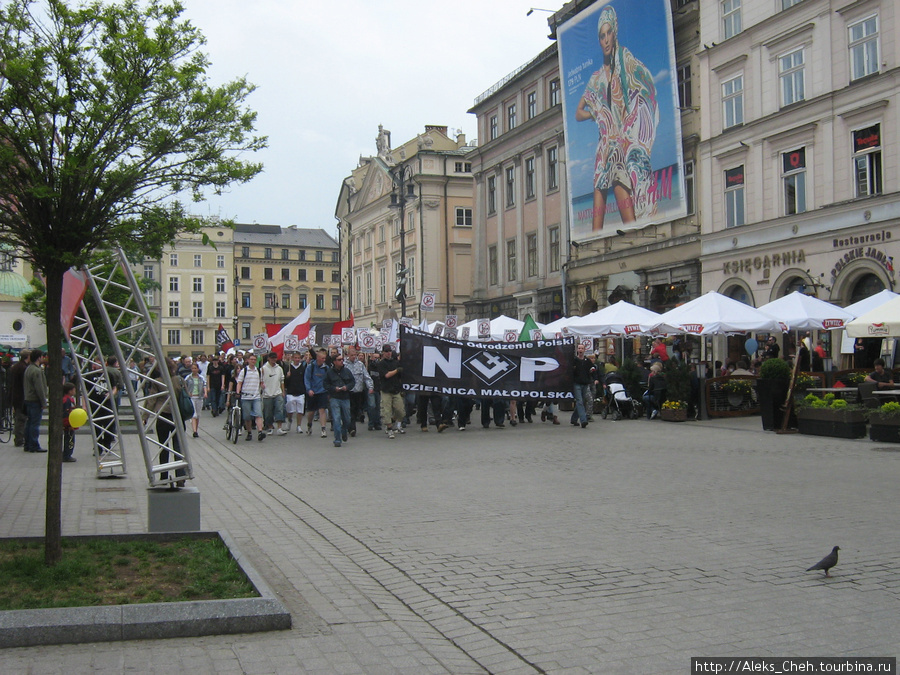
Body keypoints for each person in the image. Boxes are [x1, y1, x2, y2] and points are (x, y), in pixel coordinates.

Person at [574, 4, 658, 232]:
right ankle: (593, 253)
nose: (606, 40)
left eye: (609, 33)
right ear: (598, 40)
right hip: (604, 147)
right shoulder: (596, 78)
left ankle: (636, 248)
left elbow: (644, 89)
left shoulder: (626, 63)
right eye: (601, 36)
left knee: (630, 220)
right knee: (597, 215)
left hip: (621, 146)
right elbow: (578, 112)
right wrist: (597, 114)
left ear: (615, 32)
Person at [144, 359, 187, 487]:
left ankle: (163, 475)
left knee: (163, 447)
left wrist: (145, 416)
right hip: (178, 417)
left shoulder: (158, 382)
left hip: (162, 416)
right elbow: (186, 394)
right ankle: (180, 476)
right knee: (178, 448)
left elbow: (152, 400)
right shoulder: (179, 379)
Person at [324, 351, 355, 447]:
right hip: (335, 398)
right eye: (339, 360)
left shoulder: (347, 371)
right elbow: (325, 384)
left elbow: (352, 382)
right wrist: (334, 388)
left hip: (345, 398)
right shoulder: (329, 372)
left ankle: (344, 431)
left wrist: (347, 387)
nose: (341, 361)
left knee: (347, 419)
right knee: (336, 419)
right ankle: (337, 439)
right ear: (334, 362)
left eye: (342, 359)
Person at [374, 346, 405, 439]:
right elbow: (387, 375)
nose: (388, 353)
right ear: (383, 352)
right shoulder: (381, 364)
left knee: (400, 411)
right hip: (386, 390)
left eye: (390, 351)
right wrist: (397, 370)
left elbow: (400, 376)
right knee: (386, 411)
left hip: (395, 390)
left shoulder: (396, 362)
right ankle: (389, 428)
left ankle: (392, 420)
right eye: (386, 351)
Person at [235, 354, 265, 441]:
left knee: (258, 414)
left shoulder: (259, 371)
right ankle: (249, 432)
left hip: (256, 396)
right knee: (247, 416)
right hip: (245, 396)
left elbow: (261, 382)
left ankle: (260, 432)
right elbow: (239, 383)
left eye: (254, 360)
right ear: (248, 360)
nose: (253, 361)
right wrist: (238, 392)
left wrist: (263, 386)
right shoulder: (244, 371)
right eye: (251, 359)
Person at [344, 346, 373, 437]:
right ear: (348, 355)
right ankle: (352, 428)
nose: (353, 357)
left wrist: (370, 387)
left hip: (358, 391)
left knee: (356, 410)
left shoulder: (360, 364)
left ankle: (351, 424)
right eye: (352, 355)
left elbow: (366, 376)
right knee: (349, 410)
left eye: (355, 355)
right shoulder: (344, 365)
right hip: (348, 391)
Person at [23, 349, 48, 453]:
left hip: (28, 399)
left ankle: (27, 444)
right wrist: (43, 402)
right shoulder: (37, 371)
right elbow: (39, 388)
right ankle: (34, 444)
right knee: (35, 424)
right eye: (42, 356)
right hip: (35, 400)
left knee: (29, 423)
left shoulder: (29, 368)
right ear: (39, 357)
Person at [261, 352, 287, 435]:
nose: (273, 360)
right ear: (268, 358)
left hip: (277, 392)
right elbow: (260, 380)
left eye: (275, 358)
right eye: (272, 358)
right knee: (268, 413)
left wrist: (283, 391)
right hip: (267, 394)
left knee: (280, 410)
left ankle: (279, 428)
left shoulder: (279, 368)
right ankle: (270, 427)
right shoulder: (263, 368)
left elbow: (282, 380)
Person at [571, 344, 597, 428]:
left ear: (584, 350)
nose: (580, 350)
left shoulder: (587, 360)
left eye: (582, 348)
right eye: (579, 348)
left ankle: (574, 419)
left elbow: (593, 367)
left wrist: (592, 370)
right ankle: (583, 420)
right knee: (579, 401)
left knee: (582, 401)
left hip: (585, 383)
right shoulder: (574, 360)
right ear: (577, 350)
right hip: (576, 383)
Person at [8, 349, 30, 447]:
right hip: (20, 396)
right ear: (28, 357)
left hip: (15, 395)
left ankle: (19, 438)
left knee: (18, 418)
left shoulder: (15, 367)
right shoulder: (23, 368)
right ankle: (19, 439)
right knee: (21, 419)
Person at [284, 351, 307, 433]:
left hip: (300, 392)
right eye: (295, 358)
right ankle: (289, 420)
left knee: (300, 410)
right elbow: (284, 382)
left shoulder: (303, 368)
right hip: (291, 392)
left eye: (298, 358)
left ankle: (299, 426)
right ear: (292, 358)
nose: (297, 359)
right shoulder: (288, 367)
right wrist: (287, 376)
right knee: (290, 409)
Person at [183, 362, 207, 438]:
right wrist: (188, 393)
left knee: (198, 415)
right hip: (192, 397)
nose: (194, 370)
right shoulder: (188, 378)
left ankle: (196, 428)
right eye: (192, 368)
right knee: (194, 415)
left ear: (198, 369)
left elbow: (204, 385)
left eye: (195, 368)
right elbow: (184, 386)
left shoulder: (201, 378)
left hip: (199, 397)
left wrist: (205, 393)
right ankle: (194, 431)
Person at [62, 382, 77, 462]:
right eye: (74, 390)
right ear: (70, 391)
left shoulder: (67, 399)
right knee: (70, 439)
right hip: (69, 423)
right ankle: (67, 455)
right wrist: (70, 424)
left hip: (68, 422)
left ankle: (66, 454)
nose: (75, 391)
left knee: (68, 438)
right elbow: (67, 413)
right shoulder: (67, 400)